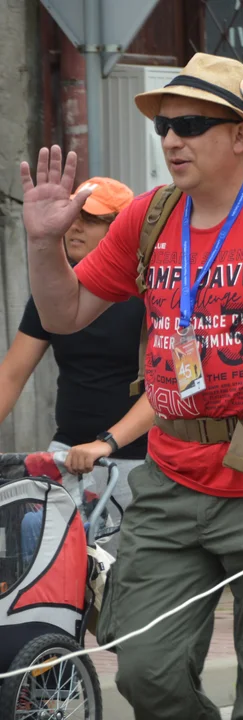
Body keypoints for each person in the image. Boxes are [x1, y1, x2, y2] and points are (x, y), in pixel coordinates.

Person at [19, 52, 243, 720]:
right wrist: (43, 247)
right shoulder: (148, 218)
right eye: (165, 125)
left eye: (192, 124)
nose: (173, 138)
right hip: (173, 479)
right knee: (145, 671)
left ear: (240, 135)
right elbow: (65, 315)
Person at [0, 177, 150, 551]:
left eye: (90, 217)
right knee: (50, 584)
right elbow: (12, 374)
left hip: (136, 461)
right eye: (72, 214)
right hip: (66, 456)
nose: (74, 225)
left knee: (121, 588)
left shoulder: (150, 290)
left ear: (121, 227)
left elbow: (165, 386)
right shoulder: (55, 291)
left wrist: (108, 443)